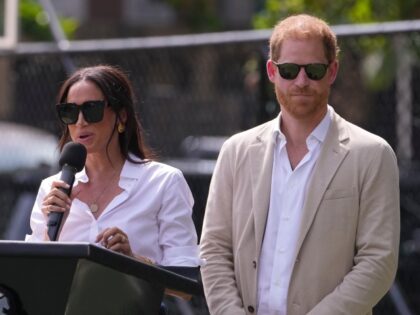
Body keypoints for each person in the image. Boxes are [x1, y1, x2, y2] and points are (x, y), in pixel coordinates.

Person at [200, 14, 400, 315]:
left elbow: (378, 262)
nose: (301, 81)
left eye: (314, 70)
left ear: (332, 72)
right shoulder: (236, 151)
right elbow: (214, 248)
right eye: (290, 70)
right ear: (271, 71)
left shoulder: (372, 154)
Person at [26, 64, 201, 268]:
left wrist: (132, 261)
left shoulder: (164, 182)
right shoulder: (51, 188)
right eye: (69, 111)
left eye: (91, 109)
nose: (80, 122)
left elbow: (185, 280)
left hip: (134, 302)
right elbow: (33, 273)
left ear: (122, 116)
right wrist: (51, 232)